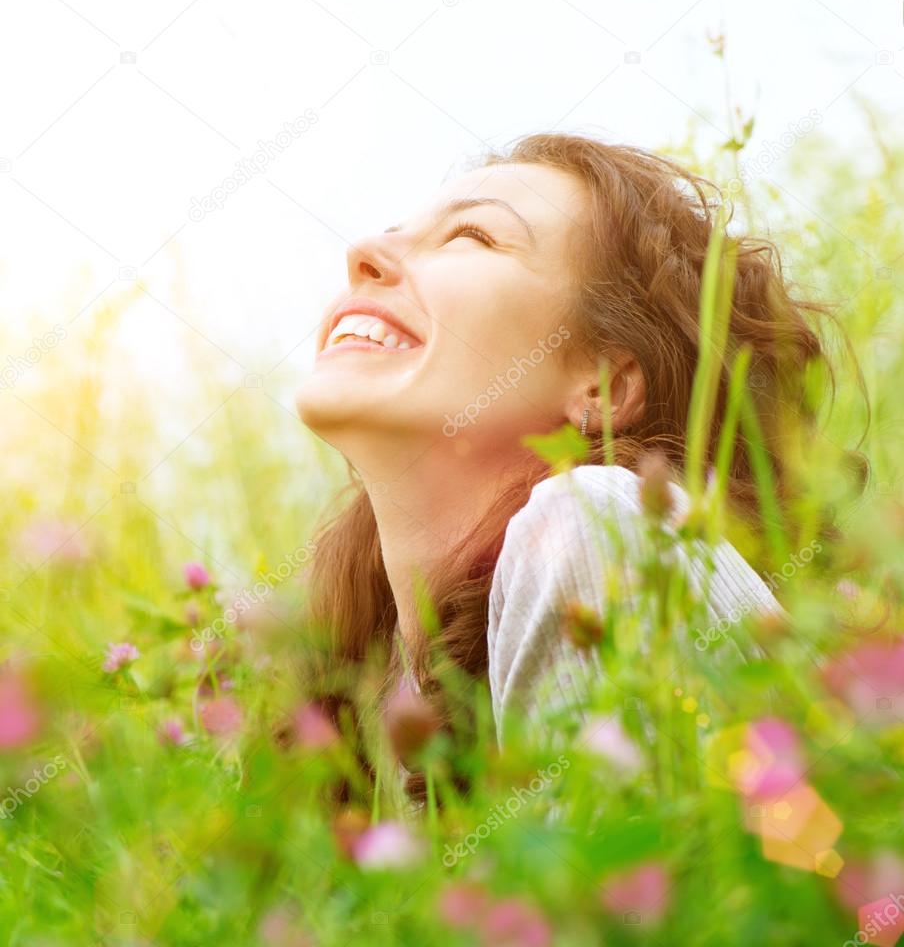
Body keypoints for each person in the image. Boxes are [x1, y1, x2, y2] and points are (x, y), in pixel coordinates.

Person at [294, 132, 838, 756]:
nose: (364, 252)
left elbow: (621, 854)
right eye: (395, 231)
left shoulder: (595, 520)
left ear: (603, 387)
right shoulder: (372, 683)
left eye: (471, 237)